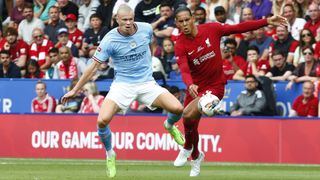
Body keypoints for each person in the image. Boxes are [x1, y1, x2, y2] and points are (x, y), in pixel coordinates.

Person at [61, 4, 185, 178]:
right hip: (122, 85)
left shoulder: (146, 29)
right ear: (117, 20)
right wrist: (75, 90)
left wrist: (149, 59)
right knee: (102, 121)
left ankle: (170, 125)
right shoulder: (109, 40)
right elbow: (93, 67)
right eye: (124, 20)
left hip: (146, 83)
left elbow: (153, 41)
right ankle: (110, 153)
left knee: (178, 109)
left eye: (131, 19)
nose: (128, 23)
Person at [173, 6, 287, 177]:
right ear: (177, 23)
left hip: (215, 87)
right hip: (195, 88)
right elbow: (183, 69)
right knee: (190, 125)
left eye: (186, 20)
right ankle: (196, 156)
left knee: (187, 115)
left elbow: (239, 27)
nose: (184, 24)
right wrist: (189, 84)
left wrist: (266, 21)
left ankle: (187, 147)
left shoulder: (212, 29)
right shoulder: (180, 43)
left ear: (193, 19)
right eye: (180, 22)